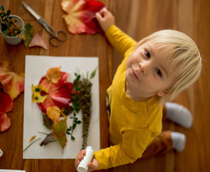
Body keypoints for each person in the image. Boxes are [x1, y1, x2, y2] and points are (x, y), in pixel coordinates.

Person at [75, 8, 202, 171]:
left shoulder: (141, 128)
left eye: (158, 72)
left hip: (135, 135)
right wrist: (109, 28)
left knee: (148, 147)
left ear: (165, 91)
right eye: (148, 53)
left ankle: (171, 140)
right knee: (154, 105)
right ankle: (167, 111)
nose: (143, 66)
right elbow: (124, 42)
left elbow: (128, 154)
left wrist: (99, 159)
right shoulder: (134, 55)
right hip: (129, 109)